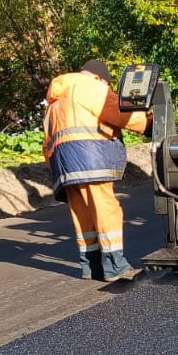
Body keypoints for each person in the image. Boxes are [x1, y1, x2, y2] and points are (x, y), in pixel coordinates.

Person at [43, 59, 150, 281]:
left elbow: (47, 142)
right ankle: (115, 266)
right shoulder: (90, 86)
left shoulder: (58, 98)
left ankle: (90, 266)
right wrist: (148, 123)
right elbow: (120, 113)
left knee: (82, 213)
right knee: (106, 210)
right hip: (90, 157)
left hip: (64, 164)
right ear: (100, 77)